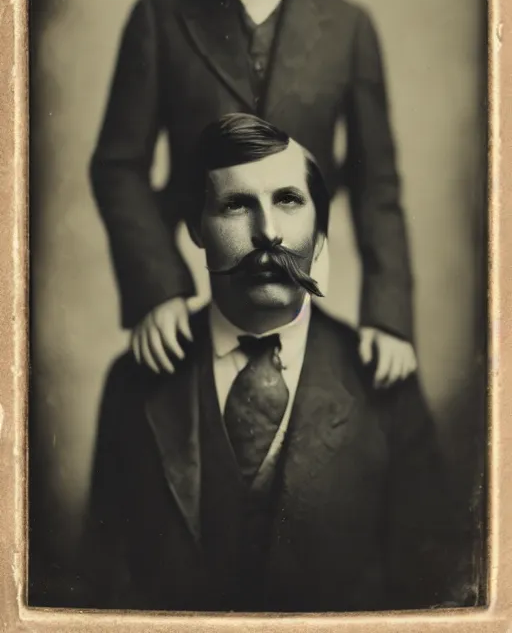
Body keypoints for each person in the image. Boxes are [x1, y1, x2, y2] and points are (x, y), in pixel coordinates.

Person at [90, 0, 416, 385]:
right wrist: (155, 289)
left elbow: (377, 184)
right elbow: (118, 165)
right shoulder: (159, 17)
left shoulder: (349, 26)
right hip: (201, 303)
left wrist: (389, 317)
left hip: (306, 299)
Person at [85, 114, 462, 612]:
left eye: (288, 200)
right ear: (197, 229)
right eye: (237, 205)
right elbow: (102, 584)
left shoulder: (383, 385)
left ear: (320, 229)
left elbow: (430, 584)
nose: (268, 233)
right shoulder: (134, 382)